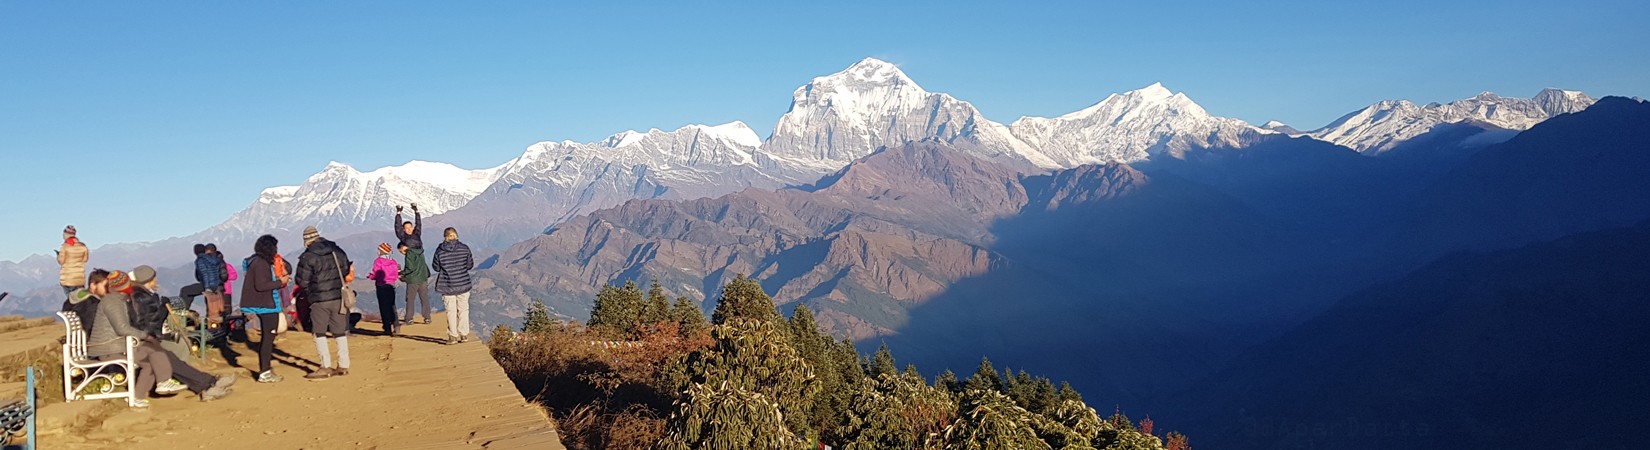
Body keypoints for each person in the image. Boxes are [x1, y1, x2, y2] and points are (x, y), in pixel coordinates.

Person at [128, 266, 237, 401]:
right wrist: (162, 308)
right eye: (154, 278)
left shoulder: (137, 295)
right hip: (141, 342)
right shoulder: (143, 298)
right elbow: (150, 323)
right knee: (167, 357)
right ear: (148, 280)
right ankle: (209, 383)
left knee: (170, 357)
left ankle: (208, 384)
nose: (156, 281)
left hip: (140, 340)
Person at [86, 269, 183, 408]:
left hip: (114, 346)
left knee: (151, 354)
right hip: (108, 349)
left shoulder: (116, 299)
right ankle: (161, 382)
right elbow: (122, 328)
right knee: (151, 349)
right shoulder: (113, 302)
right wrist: (145, 335)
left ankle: (143, 393)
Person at [294, 226, 352, 379]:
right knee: (339, 332)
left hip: (319, 299)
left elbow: (301, 281)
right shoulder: (336, 250)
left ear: (307, 240)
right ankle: (344, 364)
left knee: (319, 332)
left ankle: (325, 366)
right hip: (338, 296)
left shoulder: (308, 256)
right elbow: (346, 270)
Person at [240, 235, 289, 383]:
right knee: (268, 339)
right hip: (266, 305)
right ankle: (265, 372)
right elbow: (262, 285)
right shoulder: (262, 263)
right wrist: (280, 282)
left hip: (258, 304)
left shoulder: (253, 261)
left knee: (267, 339)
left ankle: (265, 370)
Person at [432, 227, 474, 345]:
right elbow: (470, 265)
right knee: (463, 309)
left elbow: (436, 267)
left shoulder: (439, 251)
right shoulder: (465, 249)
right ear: (456, 235)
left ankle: (453, 336)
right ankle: (464, 334)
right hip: (463, 283)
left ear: (445, 237)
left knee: (450, 310)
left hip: (447, 284)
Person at [369, 243, 400, 336]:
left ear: (381, 251)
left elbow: (377, 274)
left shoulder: (378, 261)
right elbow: (396, 274)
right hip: (391, 285)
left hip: (381, 286)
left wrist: (371, 276)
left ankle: (387, 328)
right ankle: (396, 325)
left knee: (384, 307)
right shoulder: (393, 261)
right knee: (392, 306)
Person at [398, 242, 432, 326]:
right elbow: (423, 265)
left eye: (401, 251)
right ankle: (427, 317)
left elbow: (410, 268)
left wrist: (401, 273)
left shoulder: (409, 254)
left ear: (403, 248)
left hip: (413, 280)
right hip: (423, 279)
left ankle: (409, 318)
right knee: (424, 299)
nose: (402, 253)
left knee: (410, 300)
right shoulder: (420, 252)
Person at [194, 243, 227, 326]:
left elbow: (204, 274)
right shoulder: (215, 259)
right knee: (219, 309)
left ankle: (183, 312)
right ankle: (222, 328)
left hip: (209, 286)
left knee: (185, 291)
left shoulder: (200, 260)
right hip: (218, 285)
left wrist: (207, 288)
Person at [58, 225, 89, 296]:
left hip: (67, 279)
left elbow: (61, 261)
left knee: (70, 300)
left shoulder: (65, 247)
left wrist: (58, 256)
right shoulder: (83, 246)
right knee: (80, 300)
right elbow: (85, 259)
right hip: (79, 279)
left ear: (66, 234)